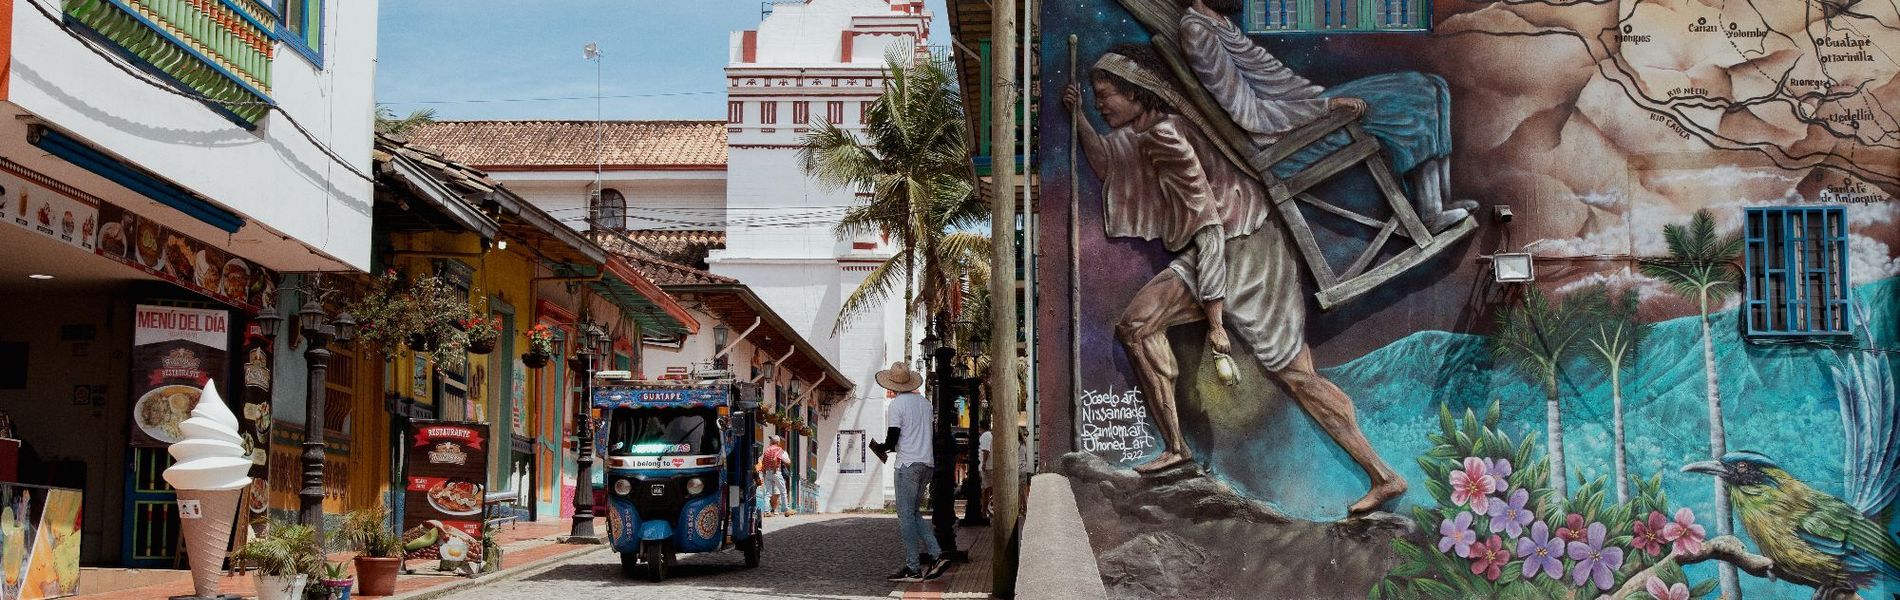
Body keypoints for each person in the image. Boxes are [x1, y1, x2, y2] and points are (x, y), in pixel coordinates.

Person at [1062, 44, 1407, 516]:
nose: (1101, 104)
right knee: (1139, 327)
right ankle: (1179, 448)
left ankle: (1382, 474)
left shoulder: (1166, 137)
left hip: (1242, 250)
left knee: (1293, 375)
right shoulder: (1151, 134)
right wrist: (1080, 117)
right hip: (1232, 243)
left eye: (1106, 95)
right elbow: (1109, 163)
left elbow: (1206, 227)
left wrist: (1216, 319)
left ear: (1139, 93)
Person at [1176, 0, 1476, 232]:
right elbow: (1250, 113)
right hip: (1286, 142)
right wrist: (1327, 106)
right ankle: (1430, 212)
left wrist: (1326, 98)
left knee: (1434, 85)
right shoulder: (1197, 31)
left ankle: (1441, 199)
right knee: (1413, 96)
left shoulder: (1220, 23)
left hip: (1307, 110)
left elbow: (1278, 81)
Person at [867, 362, 949, 582]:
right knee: (914, 513)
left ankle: (913, 568)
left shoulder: (897, 405)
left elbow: (893, 438)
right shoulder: (925, 403)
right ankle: (937, 555)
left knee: (905, 517)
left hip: (907, 466)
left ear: (892, 385)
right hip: (926, 464)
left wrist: (882, 447)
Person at [756, 435, 794, 517]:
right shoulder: (779, 450)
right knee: (783, 491)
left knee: (768, 493)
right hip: (776, 472)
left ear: (771, 442)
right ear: (778, 442)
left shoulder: (767, 450)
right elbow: (787, 461)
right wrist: (782, 463)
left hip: (767, 473)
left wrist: (765, 471)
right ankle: (786, 509)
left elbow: (762, 461)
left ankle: (766, 511)